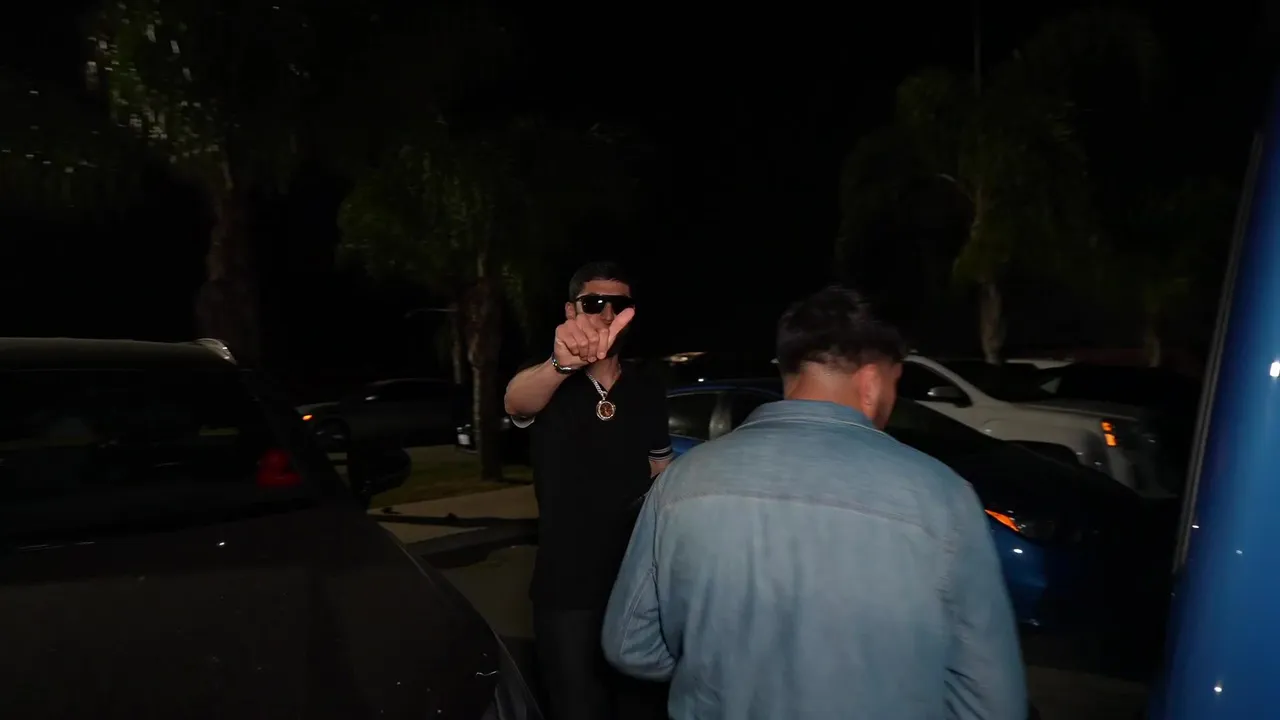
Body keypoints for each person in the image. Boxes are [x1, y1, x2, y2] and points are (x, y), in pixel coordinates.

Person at [602, 285, 1027, 720]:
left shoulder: (682, 481)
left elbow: (631, 646)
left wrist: (716, 667)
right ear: (872, 382)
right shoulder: (943, 498)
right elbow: (991, 702)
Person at [503, 261, 673, 720]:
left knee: (641, 707)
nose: (606, 313)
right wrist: (562, 364)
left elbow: (661, 468)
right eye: (594, 302)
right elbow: (517, 401)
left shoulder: (646, 387)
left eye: (619, 304)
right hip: (567, 589)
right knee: (577, 706)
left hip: (637, 584)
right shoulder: (547, 377)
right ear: (570, 310)